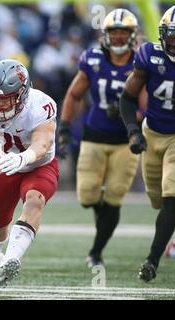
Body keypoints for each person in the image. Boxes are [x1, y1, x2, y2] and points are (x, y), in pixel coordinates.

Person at [58, 9, 144, 268]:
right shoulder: (93, 59)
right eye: (113, 32)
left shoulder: (142, 63)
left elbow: (147, 108)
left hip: (125, 140)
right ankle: (102, 218)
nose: (118, 37)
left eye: (123, 32)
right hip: (94, 135)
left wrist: (128, 114)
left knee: (115, 195)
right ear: (105, 35)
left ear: (132, 35)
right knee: (86, 196)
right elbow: (74, 95)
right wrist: (64, 126)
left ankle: (96, 251)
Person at [0, 59, 59, 294]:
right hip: (5, 163)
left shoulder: (40, 105)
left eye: (6, 99)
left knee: (34, 199)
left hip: (40, 165)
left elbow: (43, 143)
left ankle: (12, 257)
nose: (0, 106)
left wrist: (25, 157)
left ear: (22, 93)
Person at [119, 5, 175, 282]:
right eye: (172, 36)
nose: (174, 42)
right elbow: (128, 97)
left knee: (171, 198)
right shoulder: (150, 56)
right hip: (152, 131)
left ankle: (151, 260)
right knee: (157, 200)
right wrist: (133, 131)